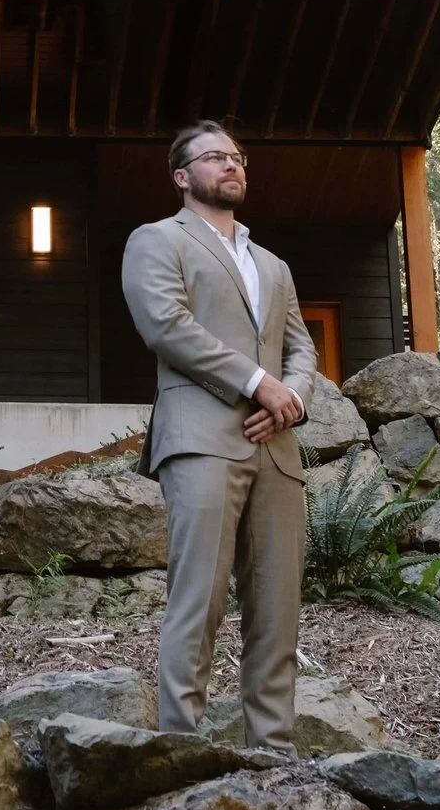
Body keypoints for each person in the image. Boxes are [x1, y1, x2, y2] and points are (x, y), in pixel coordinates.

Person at [120, 120, 317, 750]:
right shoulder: (156, 241)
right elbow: (167, 326)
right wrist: (260, 383)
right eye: (214, 158)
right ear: (182, 177)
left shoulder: (275, 265)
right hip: (200, 438)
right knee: (198, 601)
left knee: (277, 609)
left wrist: (290, 401)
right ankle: (181, 749)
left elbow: (302, 351)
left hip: (276, 448)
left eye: (237, 157)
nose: (231, 165)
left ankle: (276, 754)